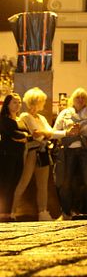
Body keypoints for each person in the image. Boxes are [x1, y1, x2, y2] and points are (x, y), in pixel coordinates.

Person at [14, 88, 63, 221]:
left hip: (43, 152)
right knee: (23, 182)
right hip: (31, 153)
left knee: (43, 185)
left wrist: (44, 133)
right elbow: (38, 136)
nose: (44, 103)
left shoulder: (40, 117)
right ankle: (11, 211)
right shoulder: (25, 116)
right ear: (36, 101)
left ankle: (43, 212)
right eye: (42, 101)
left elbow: (49, 133)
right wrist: (45, 134)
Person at [53, 88, 87, 219]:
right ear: (72, 100)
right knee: (66, 181)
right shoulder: (64, 114)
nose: (80, 100)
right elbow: (54, 132)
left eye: (83, 97)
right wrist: (67, 133)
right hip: (68, 150)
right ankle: (67, 211)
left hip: (86, 151)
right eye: (77, 97)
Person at [0, 93, 27, 221]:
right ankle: (2, 213)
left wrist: (23, 137)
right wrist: (23, 136)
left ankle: (7, 214)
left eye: (19, 102)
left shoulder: (20, 120)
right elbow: (13, 134)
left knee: (13, 185)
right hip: (7, 155)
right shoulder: (4, 119)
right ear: (8, 104)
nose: (17, 105)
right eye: (14, 102)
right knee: (6, 184)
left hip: (19, 155)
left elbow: (26, 134)